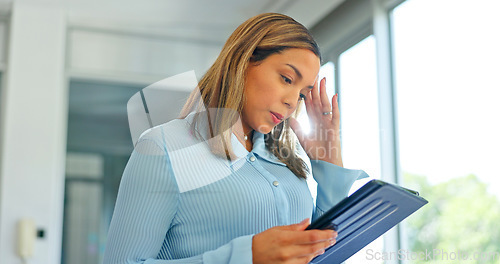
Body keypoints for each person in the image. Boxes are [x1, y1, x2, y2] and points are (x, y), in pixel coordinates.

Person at [103, 12, 368, 264]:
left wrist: (330, 161)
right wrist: (245, 256)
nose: (291, 102)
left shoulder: (286, 165)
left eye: (301, 93)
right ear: (244, 61)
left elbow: (320, 253)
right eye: (287, 79)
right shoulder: (164, 148)